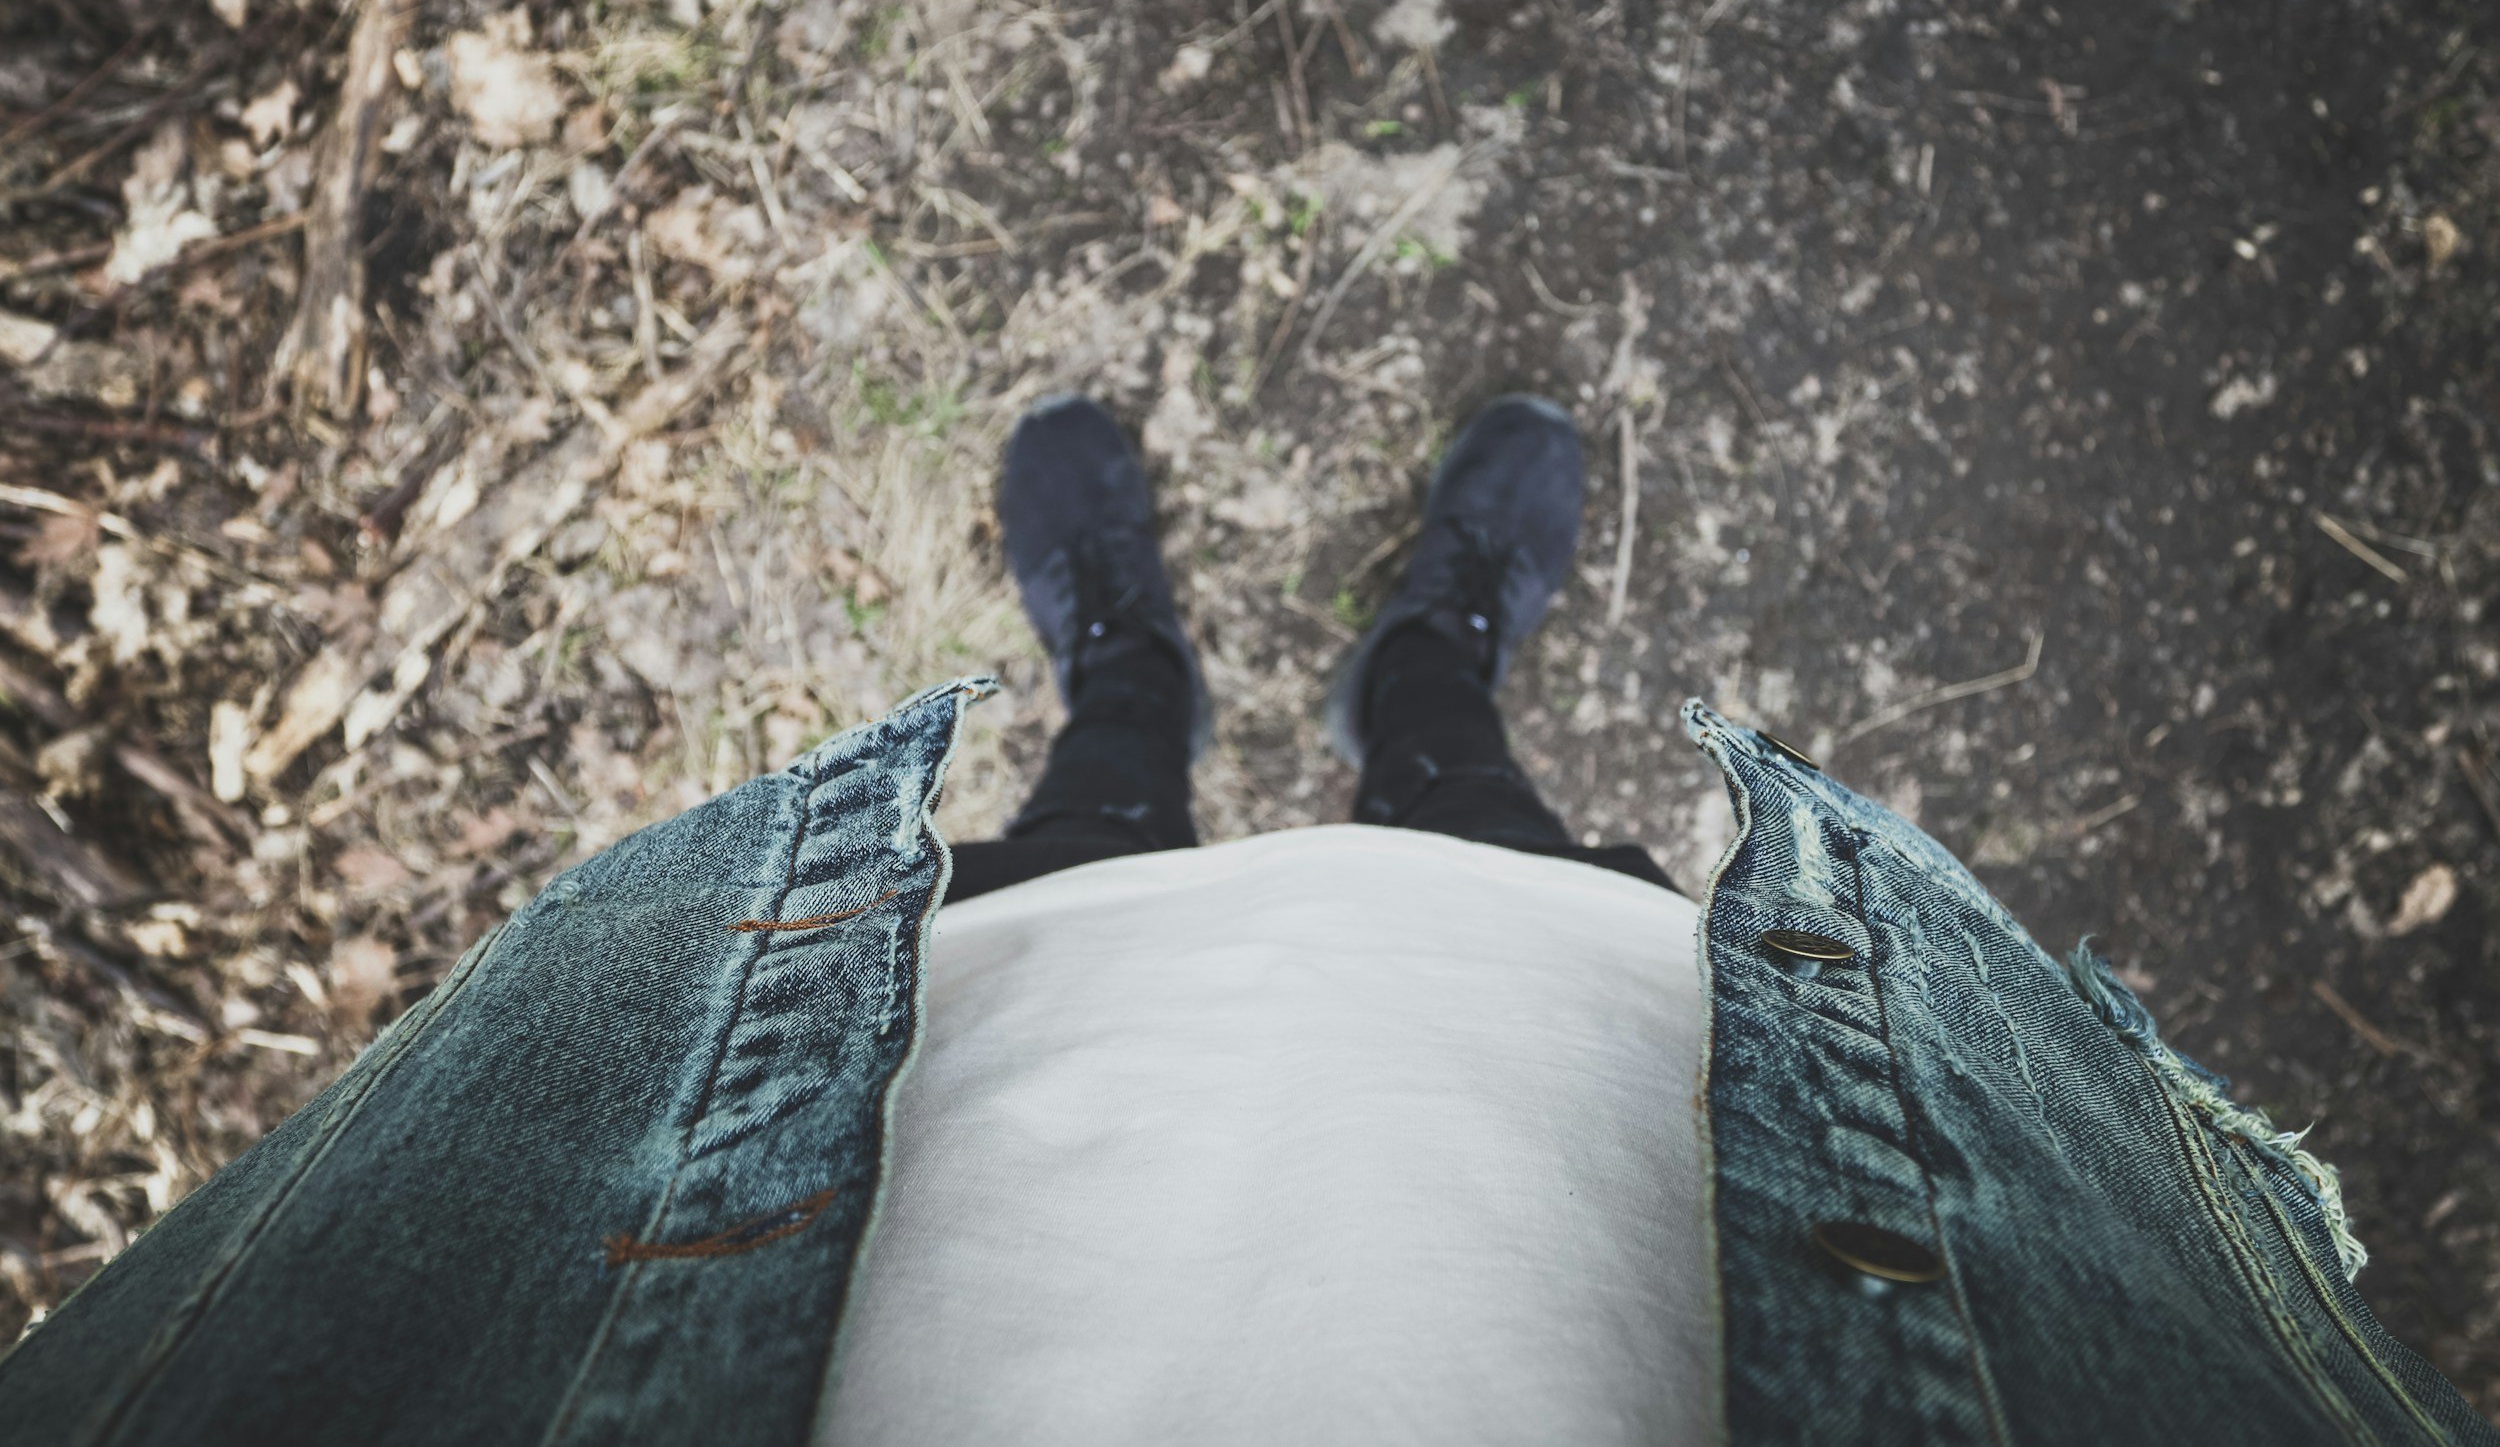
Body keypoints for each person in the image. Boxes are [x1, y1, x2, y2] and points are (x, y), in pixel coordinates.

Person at [0, 396, 2488, 1447]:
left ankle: (1157, 695)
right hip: (1595, 1101)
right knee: (1477, 856)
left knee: (1083, 873)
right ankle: (1401, 680)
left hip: (922, 1148)